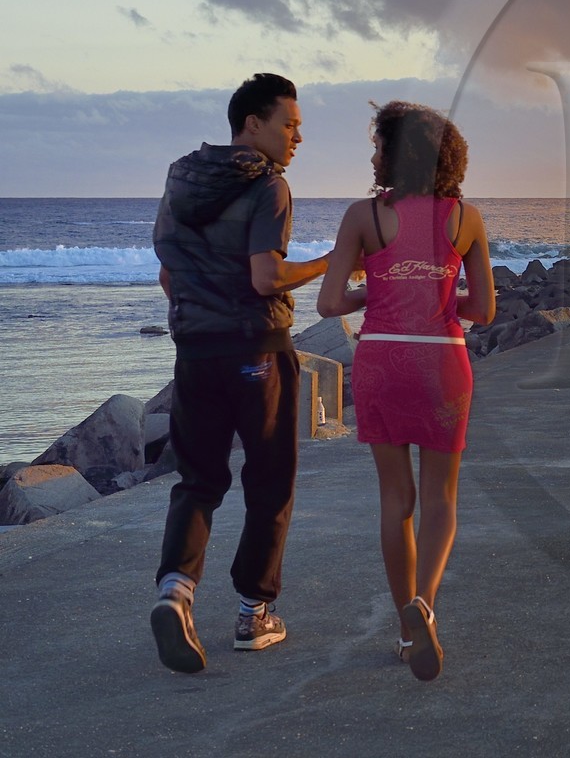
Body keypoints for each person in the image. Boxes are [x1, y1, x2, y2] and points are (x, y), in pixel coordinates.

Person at [149, 73, 329, 674]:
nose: (297, 137)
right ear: (253, 124)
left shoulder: (180, 178)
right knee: (270, 479)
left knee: (198, 480)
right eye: (289, 124)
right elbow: (264, 278)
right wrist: (333, 263)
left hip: (195, 350)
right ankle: (255, 613)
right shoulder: (269, 186)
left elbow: (168, 271)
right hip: (256, 346)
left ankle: (176, 592)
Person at [318, 102, 495, 682]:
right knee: (442, 498)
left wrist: (378, 293)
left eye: (378, 146)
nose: (372, 155)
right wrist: (441, 299)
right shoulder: (466, 217)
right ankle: (426, 603)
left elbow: (329, 303)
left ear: (398, 153)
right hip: (443, 361)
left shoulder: (364, 215)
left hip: (382, 361)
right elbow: (485, 311)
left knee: (396, 501)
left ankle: (403, 628)